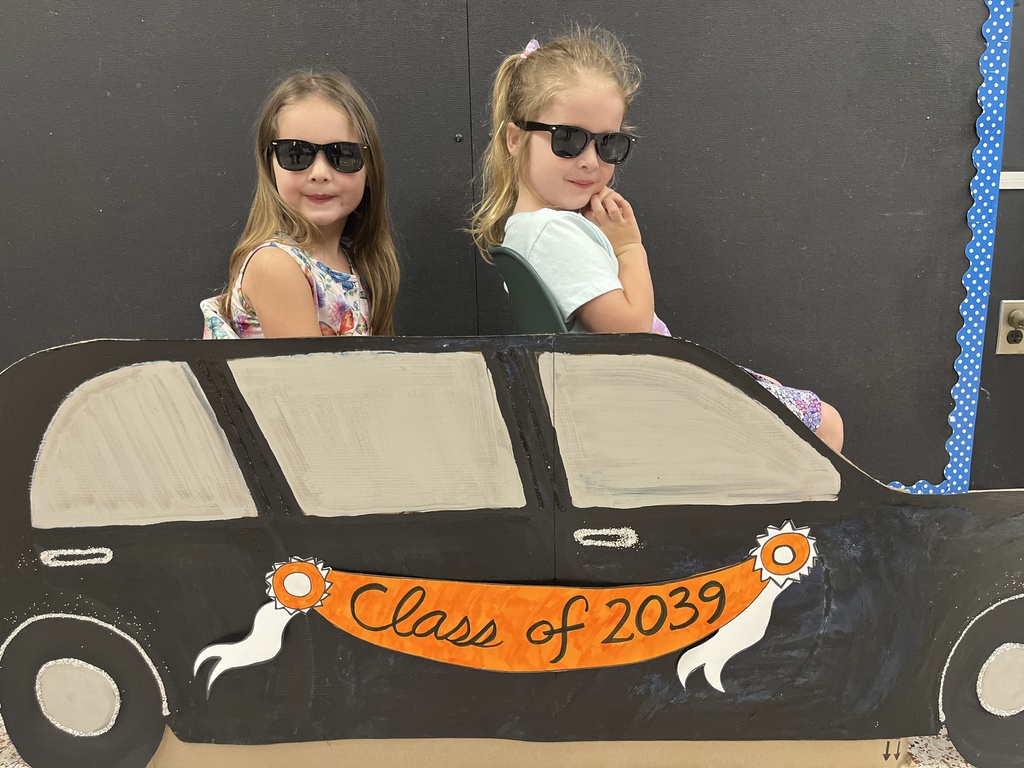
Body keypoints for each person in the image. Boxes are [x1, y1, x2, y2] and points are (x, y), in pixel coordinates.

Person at [469, 28, 844, 452]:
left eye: (608, 143)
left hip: (661, 396)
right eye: (567, 139)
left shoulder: (532, 228)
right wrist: (629, 248)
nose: (591, 161)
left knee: (789, 400)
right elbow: (633, 336)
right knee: (824, 425)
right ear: (515, 139)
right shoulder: (552, 232)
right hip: (659, 401)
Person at [201, 70, 400, 338]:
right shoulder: (277, 266)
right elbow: (312, 380)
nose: (320, 172)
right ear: (270, 165)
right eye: (295, 153)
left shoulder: (353, 263)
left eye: (343, 155)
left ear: (370, 169)